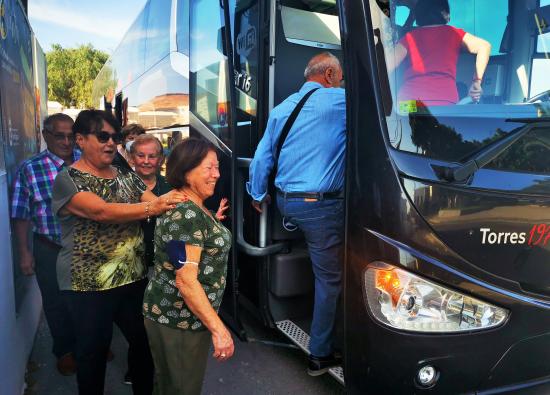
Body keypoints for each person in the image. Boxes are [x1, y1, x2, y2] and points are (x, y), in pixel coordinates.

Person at [51, 110, 186, 395]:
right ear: (80, 140)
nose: (111, 143)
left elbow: (156, 202)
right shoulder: (69, 179)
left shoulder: (124, 175)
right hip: (87, 283)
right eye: (103, 137)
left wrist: (197, 210)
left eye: (115, 137)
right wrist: (156, 207)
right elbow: (103, 212)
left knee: (144, 343)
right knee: (92, 354)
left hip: (132, 278)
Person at [247, 52, 346, 376]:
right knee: (331, 278)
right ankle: (321, 353)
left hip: (288, 204)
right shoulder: (338, 101)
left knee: (319, 262)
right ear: (330, 74)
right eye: (341, 77)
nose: (341, 82)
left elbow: (262, 157)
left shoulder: (283, 108)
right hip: (321, 206)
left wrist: (258, 194)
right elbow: (391, 112)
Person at [143, 138, 233, 395]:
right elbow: (185, 280)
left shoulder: (194, 209)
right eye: (209, 168)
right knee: (181, 389)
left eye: (217, 167)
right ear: (186, 170)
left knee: (170, 385)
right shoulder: (186, 215)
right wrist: (220, 330)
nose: (217, 174)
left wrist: (212, 225)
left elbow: (190, 243)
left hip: (179, 318)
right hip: (178, 320)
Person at [11, 113, 78, 376]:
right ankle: (64, 350)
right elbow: (21, 214)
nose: (66, 141)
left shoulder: (88, 161)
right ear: (45, 135)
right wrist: (25, 254)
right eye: (59, 135)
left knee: (91, 299)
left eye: (71, 135)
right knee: (55, 302)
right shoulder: (30, 169)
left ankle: (91, 344)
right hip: (50, 248)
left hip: (87, 248)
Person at [388, 0, 491, 105]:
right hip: (444, 103)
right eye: (448, 12)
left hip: (410, 103)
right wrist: (477, 82)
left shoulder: (410, 37)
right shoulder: (453, 33)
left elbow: (388, 64)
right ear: (442, 13)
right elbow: (484, 46)